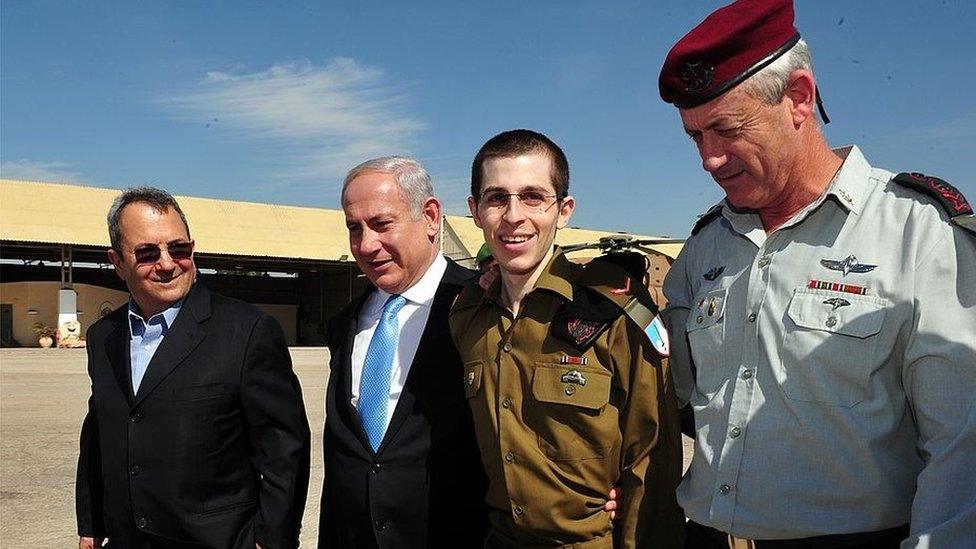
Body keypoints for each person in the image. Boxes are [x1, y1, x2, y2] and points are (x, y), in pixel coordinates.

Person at [658, 0, 976, 547]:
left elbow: (961, 447)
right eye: (695, 137)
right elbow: (669, 394)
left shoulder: (917, 232)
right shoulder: (705, 246)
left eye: (726, 129)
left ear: (798, 98)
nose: (709, 159)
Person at [450, 129, 684, 549]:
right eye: (497, 197)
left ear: (564, 210)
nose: (513, 216)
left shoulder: (614, 313)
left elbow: (651, 461)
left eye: (533, 197)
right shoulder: (467, 317)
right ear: (475, 209)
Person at [76, 187, 311, 549]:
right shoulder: (103, 337)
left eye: (179, 248)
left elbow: (285, 449)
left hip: (217, 539)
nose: (168, 263)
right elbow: (99, 432)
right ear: (117, 262)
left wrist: (271, 539)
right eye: (147, 253)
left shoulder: (247, 331)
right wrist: (91, 521)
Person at [317, 157, 489, 548]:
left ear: (430, 217)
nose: (365, 245)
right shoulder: (345, 324)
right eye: (353, 228)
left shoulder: (483, 308)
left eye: (381, 224)